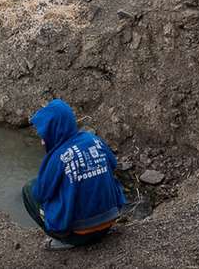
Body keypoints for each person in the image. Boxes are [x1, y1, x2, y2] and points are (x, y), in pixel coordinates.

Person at [22, 99, 126, 251]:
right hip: (108, 223)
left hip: (79, 234)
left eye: (45, 134)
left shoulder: (58, 156)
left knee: (29, 189)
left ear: (55, 130)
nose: (43, 142)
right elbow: (113, 164)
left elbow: (40, 195)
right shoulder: (94, 140)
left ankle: (65, 239)